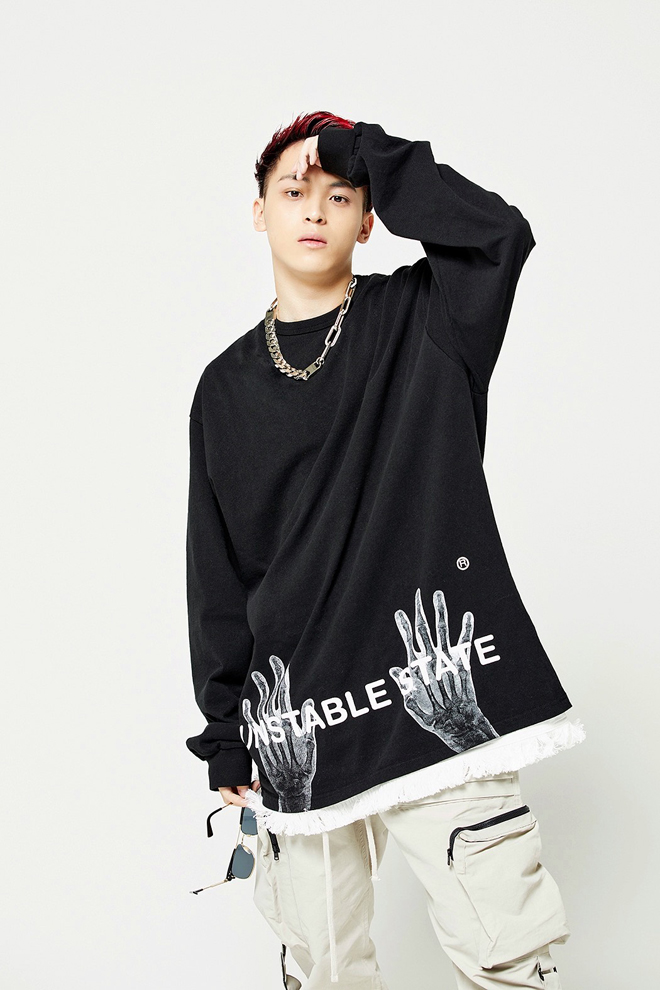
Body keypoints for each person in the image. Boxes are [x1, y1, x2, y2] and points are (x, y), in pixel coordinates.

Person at [184, 112, 587, 989]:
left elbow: (499, 237)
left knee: (507, 959)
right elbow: (218, 572)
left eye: (341, 194)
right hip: (301, 727)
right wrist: (225, 730)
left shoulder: (426, 318)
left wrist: (368, 148)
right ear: (259, 211)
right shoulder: (223, 388)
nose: (315, 209)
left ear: (369, 220)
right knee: (324, 972)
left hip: (436, 697)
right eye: (294, 190)